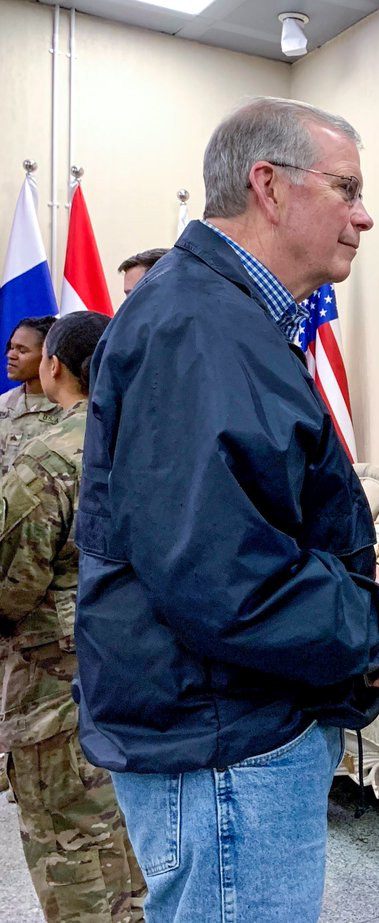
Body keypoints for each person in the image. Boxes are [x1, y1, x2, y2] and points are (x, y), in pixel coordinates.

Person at [73, 97, 379, 923]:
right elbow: (226, 580)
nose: (364, 215)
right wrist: (377, 623)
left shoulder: (221, 315)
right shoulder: (201, 328)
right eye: (347, 188)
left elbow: (238, 524)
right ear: (269, 185)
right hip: (223, 737)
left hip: (223, 722)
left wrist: (360, 591)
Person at [1, 311, 147, 923]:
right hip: (147, 674)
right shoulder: (156, 442)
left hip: (58, 687)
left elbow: (8, 590)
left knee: (70, 844)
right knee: (131, 830)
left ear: (54, 365)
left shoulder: (46, 460)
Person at [1, 315, 61, 475]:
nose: (11, 355)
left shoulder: (66, 409)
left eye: (22, 350)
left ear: (47, 356)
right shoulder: (3, 403)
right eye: (11, 347)